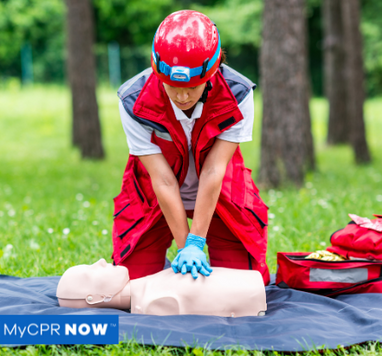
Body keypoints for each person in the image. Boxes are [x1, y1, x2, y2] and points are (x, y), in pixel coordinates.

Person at [113, 10, 269, 284]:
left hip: (222, 195)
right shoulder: (132, 100)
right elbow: (161, 179)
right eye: (172, 87)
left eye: (193, 87)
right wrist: (186, 247)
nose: (182, 96)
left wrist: (196, 242)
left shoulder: (239, 93)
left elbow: (213, 171)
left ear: (212, 72)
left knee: (245, 287)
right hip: (153, 197)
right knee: (131, 286)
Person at [57, 259, 267, 317]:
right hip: (252, 294)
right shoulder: (156, 301)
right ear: (93, 299)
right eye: (90, 272)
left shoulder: (150, 287)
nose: (100, 261)